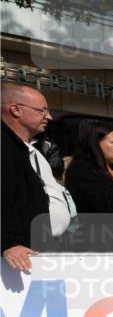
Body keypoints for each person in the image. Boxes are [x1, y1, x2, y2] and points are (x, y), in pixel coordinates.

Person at [1, 83, 69, 270]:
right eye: (41, 110)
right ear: (15, 109)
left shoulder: (22, 149)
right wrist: (8, 242)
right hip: (13, 261)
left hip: (32, 254)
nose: (49, 116)